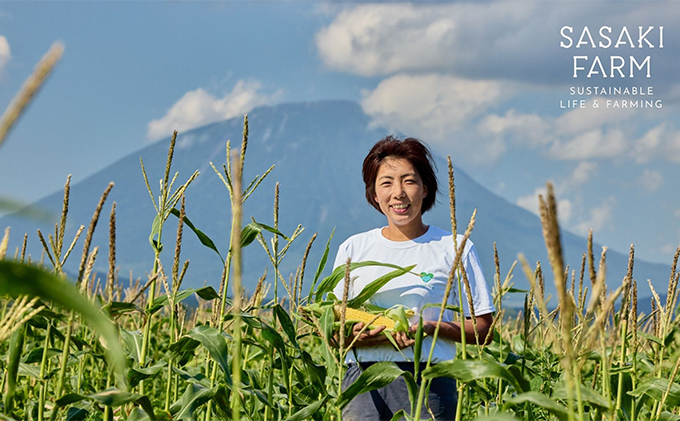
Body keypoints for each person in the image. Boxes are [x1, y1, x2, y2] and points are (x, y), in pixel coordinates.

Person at [331, 136, 495, 420]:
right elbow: (334, 327)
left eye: (409, 181)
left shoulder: (455, 247)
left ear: (425, 189)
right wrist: (363, 338)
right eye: (386, 183)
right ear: (373, 194)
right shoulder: (353, 248)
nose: (398, 193)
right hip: (364, 382)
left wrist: (428, 328)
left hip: (429, 379)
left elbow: (484, 329)